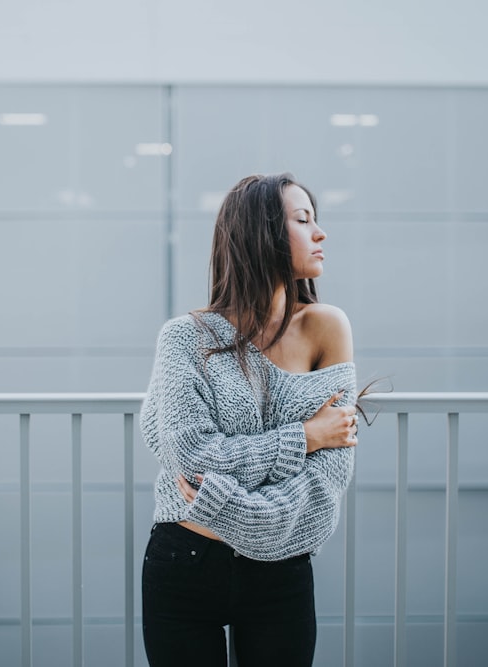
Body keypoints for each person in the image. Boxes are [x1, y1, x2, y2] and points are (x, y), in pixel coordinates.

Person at [139, 172, 360, 667]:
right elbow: (195, 458)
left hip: (280, 573)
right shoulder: (184, 338)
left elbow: (325, 488)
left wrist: (221, 502)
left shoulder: (328, 327)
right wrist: (305, 436)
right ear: (260, 234)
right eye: (303, 220)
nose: (320, 233)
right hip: (184, 564)